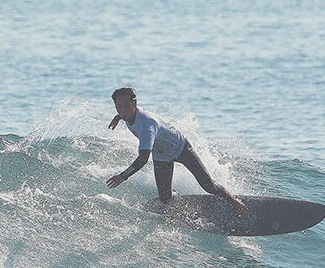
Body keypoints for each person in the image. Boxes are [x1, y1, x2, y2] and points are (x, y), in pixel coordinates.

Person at [106, 86, 248, 215]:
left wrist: (123, 176)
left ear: (135, 104)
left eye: (126, 106)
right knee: (165, 198)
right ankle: (176, 199)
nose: (122, 110)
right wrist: (117, 118)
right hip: (161, 153)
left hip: (180, 147)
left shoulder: (147, 126)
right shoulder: (126, 114)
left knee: (209, 186)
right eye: (118, 107)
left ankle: (233, 201)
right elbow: (123, 113)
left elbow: (143, 159)